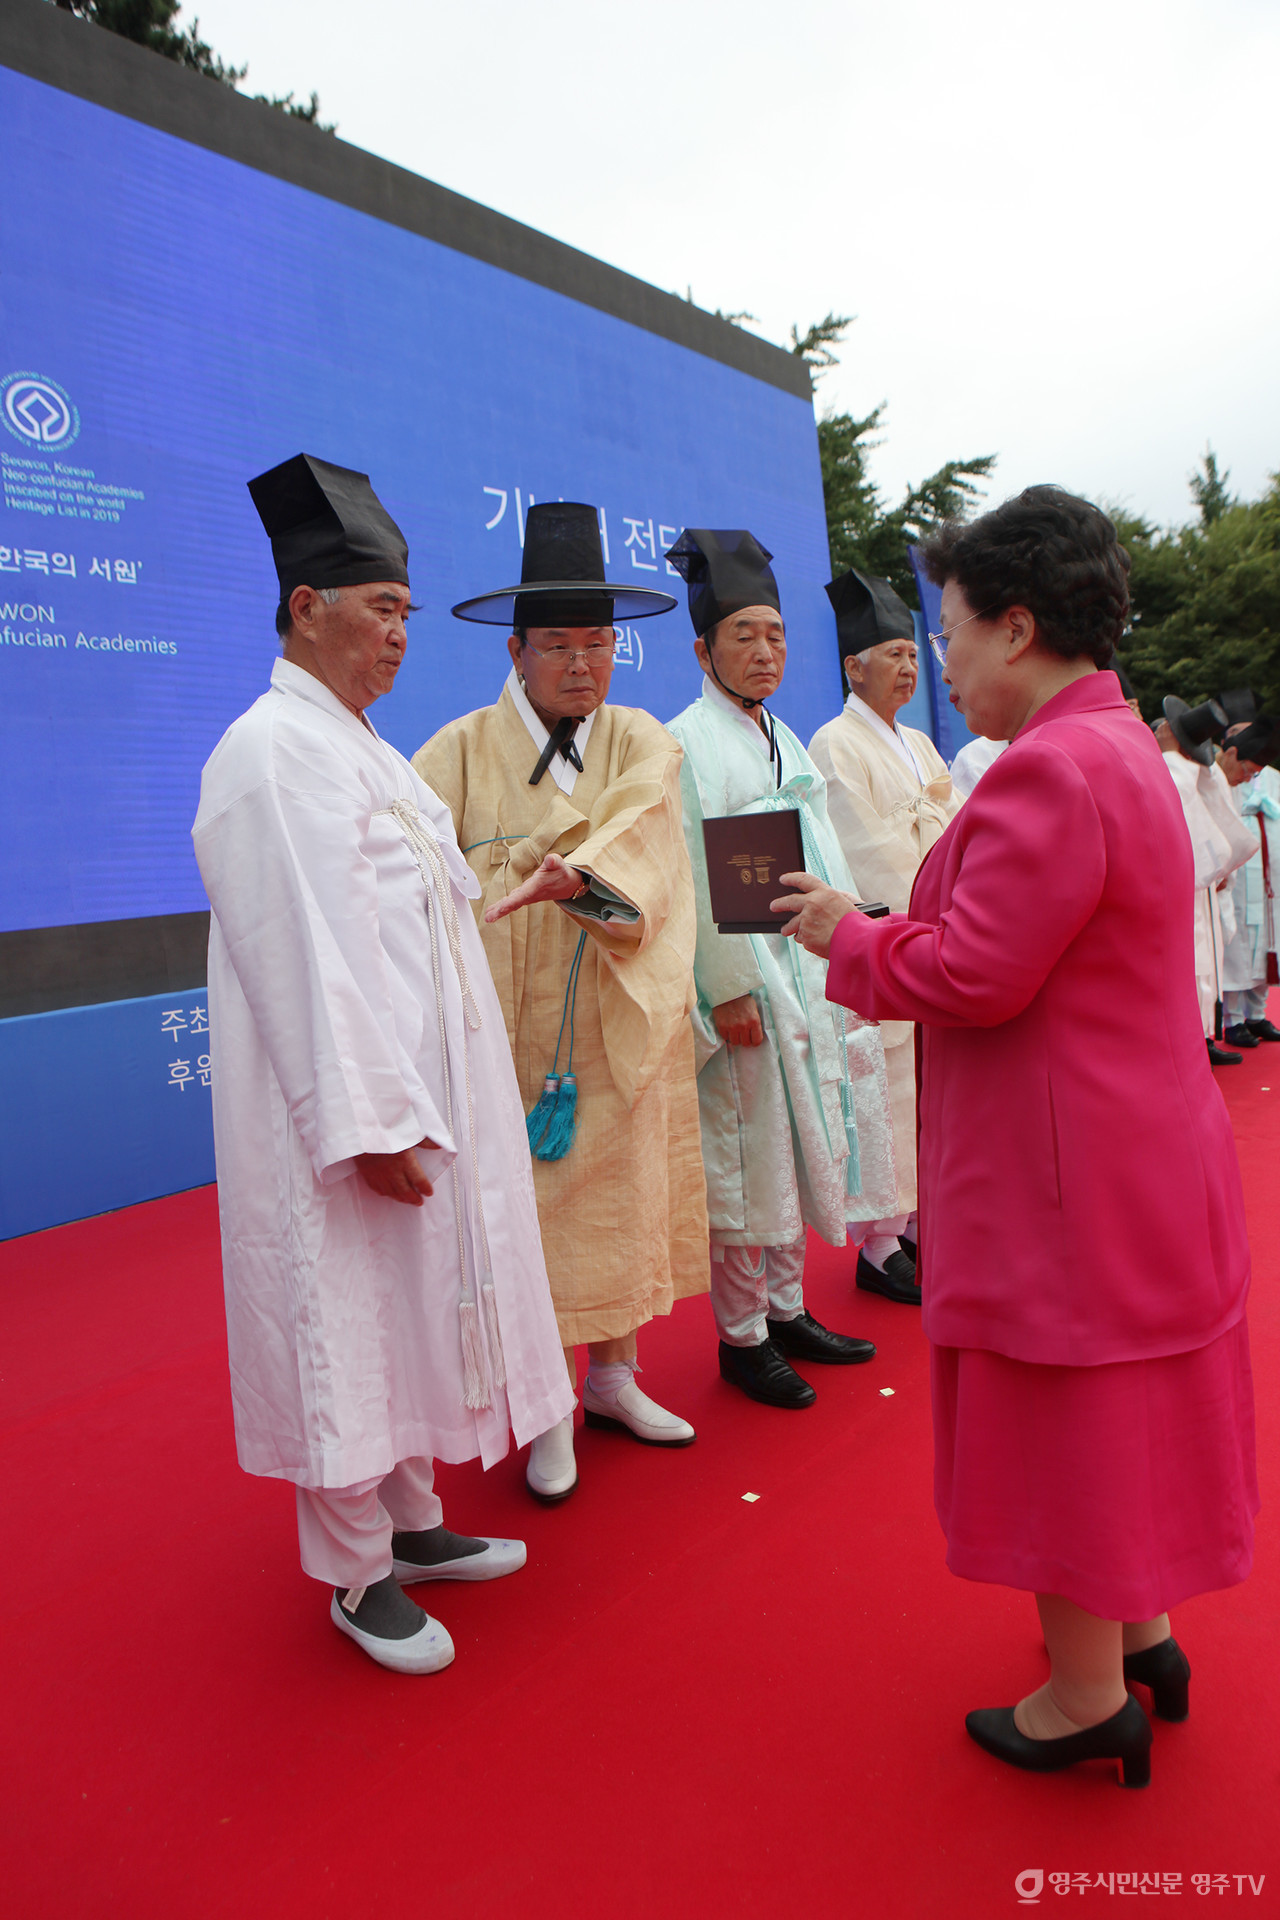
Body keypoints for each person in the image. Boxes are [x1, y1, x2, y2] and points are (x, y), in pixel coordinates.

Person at [775, 486, 1256, 1787]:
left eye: (954, 628)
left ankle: (1084, 1692)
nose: (945, 657)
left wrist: (847, 935)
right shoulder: (1119, 751)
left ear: (1020, 626)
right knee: (1126, 1403)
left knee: (1063, 1418)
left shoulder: (1052, 764)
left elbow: (980, 972)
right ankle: (1142, 1636)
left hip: (1064, 1175)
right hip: (1126, 1145)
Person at [193, 455, 574, 1674]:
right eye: (382, 609)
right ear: (307, 607)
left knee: (400, 1312)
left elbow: (419, 928)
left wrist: (516, 896)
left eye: (409, 611)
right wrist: (368, 1126)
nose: (402, 634)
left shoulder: (361, 748)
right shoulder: (269, 752)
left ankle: (410, 1527)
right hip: (346, 1119)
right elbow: (304, 960)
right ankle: (354, 1575)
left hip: (418, 1101)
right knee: (340, 1317)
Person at [413, 503, 707, 1503]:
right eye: (558, 645)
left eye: (598, 643)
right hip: (505, 1024)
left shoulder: (637, 738)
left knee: (618, 1207)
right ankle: (542, 1408)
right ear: (517, 649)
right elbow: (405, 867)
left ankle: (614, 1380)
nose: (582, 664)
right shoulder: (453, 751)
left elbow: (645, 834)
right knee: (523, 1221)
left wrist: (574, 875)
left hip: (610, 1017)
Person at [663, 528, 897, 1409]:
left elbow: (825, 848)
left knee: (804, 1143)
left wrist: (847, 948)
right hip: (747, 981)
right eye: (743, 637)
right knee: (746, 1151)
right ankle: (742, 1335)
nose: (764, 653)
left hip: (803, 967)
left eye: (775, 635)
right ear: (702, 649)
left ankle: (791, 1307)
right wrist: (724, 986)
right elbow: (686, 867)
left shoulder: (783, 739)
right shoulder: (687, 742)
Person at [809, 569, 960, 1303]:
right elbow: (865, 849)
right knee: (886, 1089)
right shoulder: (835, 744)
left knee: (931, 1088)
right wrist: (931, 909)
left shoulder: (924, 746)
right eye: (892, 653)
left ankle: (922, 1220)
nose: (907, 666)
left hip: (933, 932)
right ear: (852, 666)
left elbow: (956, 832)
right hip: (890, 934)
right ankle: (878, 1243)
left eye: (912, 652)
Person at [1155, 697, 1258, 1065]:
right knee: (1191, 964)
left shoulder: (1194, 769)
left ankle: (1201, 1037)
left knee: (1205, 964)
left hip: (1200, 884)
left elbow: (1217, 813)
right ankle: (1188, 1044)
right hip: (1176, 885)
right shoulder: (1168, 767)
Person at [1215, 691, 1280, 1048]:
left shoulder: (1273, 779)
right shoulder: (1222, 774)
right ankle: (1234, 1019)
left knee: (1268, 938)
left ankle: (1258, 1014)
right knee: (1238, 940)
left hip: (1271, 876)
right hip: (1240, 872)